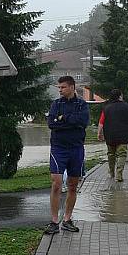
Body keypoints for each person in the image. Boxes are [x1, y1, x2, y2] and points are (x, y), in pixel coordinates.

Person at [46, 75, 90, 234]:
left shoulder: (81, 104)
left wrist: (64, 119)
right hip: (59, 148)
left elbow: (83, 122)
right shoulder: (56, 104)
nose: (60, 90)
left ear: (72, 87)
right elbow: (52, 123)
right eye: (59, 87)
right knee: (57, 183)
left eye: (63, 87)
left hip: (76, 148)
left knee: (72, 185)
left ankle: (67, 219)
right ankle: (53, 221)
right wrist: (69, 122)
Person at [97, 89, 128, 182]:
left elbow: (101, 122)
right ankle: (119, 174)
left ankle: (111, 172)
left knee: (111, 154)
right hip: (124, 134)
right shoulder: (127, 107)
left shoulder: (106, 108)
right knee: (122, 154)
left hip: (109, 134)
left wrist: (99, 133)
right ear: (120, 96)